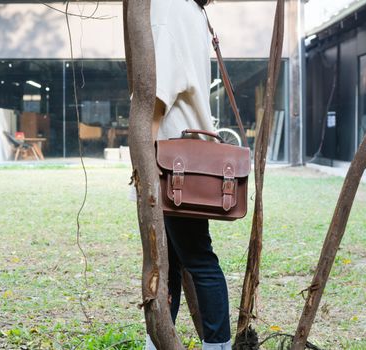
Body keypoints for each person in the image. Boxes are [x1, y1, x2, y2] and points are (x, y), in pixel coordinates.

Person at [145, 0, 232, 349]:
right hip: (185, 154)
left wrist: (144, 146)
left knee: (196, 259)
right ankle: (161, 343)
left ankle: (217, 345)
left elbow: (161, 86)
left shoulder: (169, 6)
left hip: (171, 157)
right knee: (173, 262)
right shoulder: (195, 11)